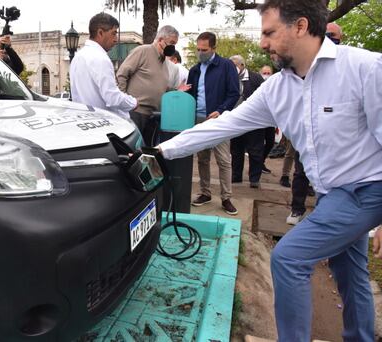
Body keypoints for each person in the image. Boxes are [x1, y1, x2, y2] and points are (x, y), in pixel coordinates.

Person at [158, 0, 382, 340]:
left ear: (301, 26)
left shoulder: (365, 69)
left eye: (269, 32)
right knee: (350, 272)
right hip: (331, 194)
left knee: (289, 258)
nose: (262, 43)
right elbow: (224, 126)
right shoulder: (277, 89)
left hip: (368, 190)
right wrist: (160, 151)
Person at [286, 22, 343, 225]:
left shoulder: (349, 70)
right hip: (306, 137)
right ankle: (297, 209)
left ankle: (324, 215)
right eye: (324, 33)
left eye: (332, 34)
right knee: (302, 174)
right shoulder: (293, 73)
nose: (327, 37)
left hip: (338, 148)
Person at [186, 32, 240, 215]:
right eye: (198, 49)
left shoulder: (226, 66)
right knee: (202, 159)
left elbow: (234, 93)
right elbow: (189, 95)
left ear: (214, 48)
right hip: (199, 120)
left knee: (224, 160)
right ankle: (205, 193)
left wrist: (222, 110)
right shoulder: (194, 70)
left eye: (205, 50)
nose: (201, 53)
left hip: (220, 120)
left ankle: (226, 197)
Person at [117, 25, 187, 146]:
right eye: (171, 43)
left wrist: (176, 91)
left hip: (152, 115)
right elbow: (122, 75)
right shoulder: (142, 51)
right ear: (160, 40)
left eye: (174, 44)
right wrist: (124, 102)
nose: (172, 47)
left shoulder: (164, 61)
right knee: (131, 150)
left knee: (147, 151)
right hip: (135, 112)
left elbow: (161, 86)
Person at [70, 13, 137, 118]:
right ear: (100, 33)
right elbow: (112, 97)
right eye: (113, 33)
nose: (116, 39)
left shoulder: (78, 57)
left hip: (85, 122)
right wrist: (133, 103)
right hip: (106, 124)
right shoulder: (101, 58)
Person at [229, 55, 265, 188]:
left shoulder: (255, 78)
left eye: (234, 66)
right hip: (236, 120)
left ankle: (254, 179)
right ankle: (236, 176)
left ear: (242, 65)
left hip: (254, 121)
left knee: (255, 150)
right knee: (236, 150)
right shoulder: (230, 78)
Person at [258, 65, 276, 174]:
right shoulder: (258, 84)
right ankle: (257, 165)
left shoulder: (275, 85)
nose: (266, 75)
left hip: (271, 119)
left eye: (268, 73)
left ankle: (261, 161)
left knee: (270, 142)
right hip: (259, 119)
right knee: (258, 143)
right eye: (264, 73)